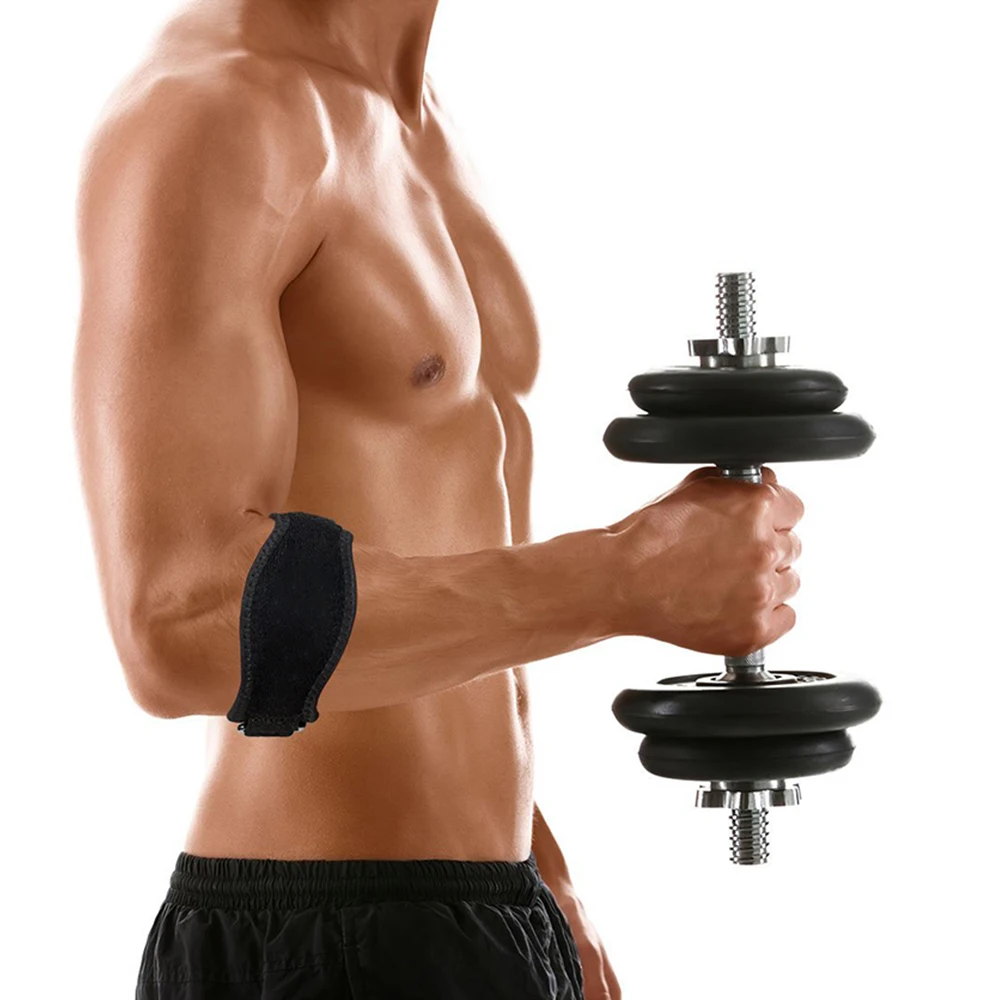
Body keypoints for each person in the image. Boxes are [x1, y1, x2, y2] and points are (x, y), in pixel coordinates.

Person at [72, 2, 804, 997]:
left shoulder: (417, 117)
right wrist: (624, 577)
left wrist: (542, 874)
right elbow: (177, 622)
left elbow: (425, 540)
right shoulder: (218, 112)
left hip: (494, 911)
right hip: (315, 938)